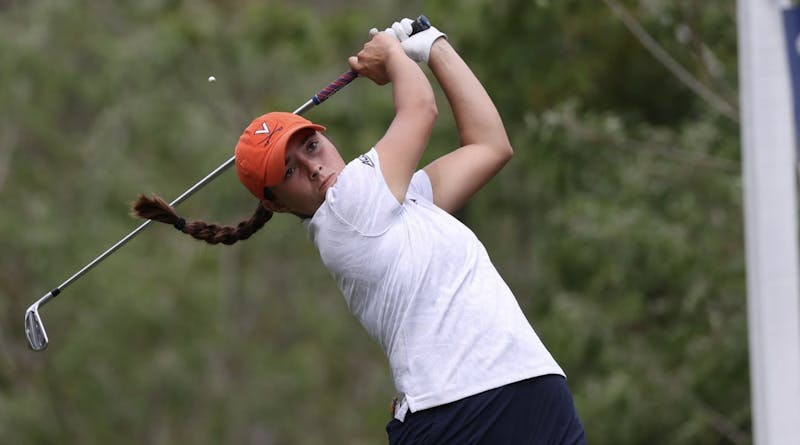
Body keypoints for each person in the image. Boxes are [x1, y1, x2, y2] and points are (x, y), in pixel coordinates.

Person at [133, 17, 586, 444]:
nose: (313, 167)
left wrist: (433, 45)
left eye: (312, 146)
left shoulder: (404, 204)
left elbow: (490, 145)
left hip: (526, 387)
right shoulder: (346, 210)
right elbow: (421, 108)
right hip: (462, 410)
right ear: (273, 202)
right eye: (290, 170)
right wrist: (391, 53)